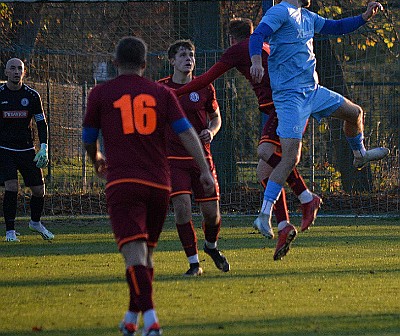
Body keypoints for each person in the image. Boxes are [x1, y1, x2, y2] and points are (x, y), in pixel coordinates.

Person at [82, 36, 215, 336]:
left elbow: (89, 138)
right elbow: (188, 134)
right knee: (144, 256)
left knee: (134, 255)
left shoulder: (100, 93)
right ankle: (131, 318)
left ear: (115, 63)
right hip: (158, 185)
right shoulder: (162, 92)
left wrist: (96, 159)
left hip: (124, 183)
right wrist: (205, 170)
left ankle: (152, 320)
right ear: (145, 64)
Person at [249, 0, 390, 239]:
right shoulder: (280, 13)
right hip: (290, 97)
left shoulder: (307, 17)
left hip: (313, 91)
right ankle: (264, 215)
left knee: (354, 113)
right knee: (290, 158)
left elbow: (336, 27)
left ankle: (359, 154)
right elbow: (257, 37)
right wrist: (256, 61)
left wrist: (363, 17)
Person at [175, 18, 321, 260]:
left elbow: (205, 79)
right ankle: (284, 225)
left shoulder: (239, 49)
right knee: (264, 173)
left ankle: (307, 197)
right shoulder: (265, 46)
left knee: (265, 152)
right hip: (292, 104)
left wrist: (174, 92)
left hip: (281, 107)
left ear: (232, 37)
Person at [159, 39, 230, 276]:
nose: (188, 58)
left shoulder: (204, 87)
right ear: (172, 61)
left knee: (212, 214)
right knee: (182, 209)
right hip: (173, 159)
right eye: (182, 55)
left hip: (202, 158)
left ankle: (211, 247)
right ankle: (194, 263)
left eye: (191, 54)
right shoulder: (161, 89)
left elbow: (216, 118)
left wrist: (211, 130)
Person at [0, 58, 53, 242]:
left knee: (39, 190)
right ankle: (10, 231)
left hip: (27, 149)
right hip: (4, 149)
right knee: (12, 186)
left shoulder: (32, 96)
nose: (16, 71)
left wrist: (44, 148)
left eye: (19, 69)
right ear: (6, 72)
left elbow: (41, 122)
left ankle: (35, 222)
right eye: (12, 68)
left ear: (24, 72)